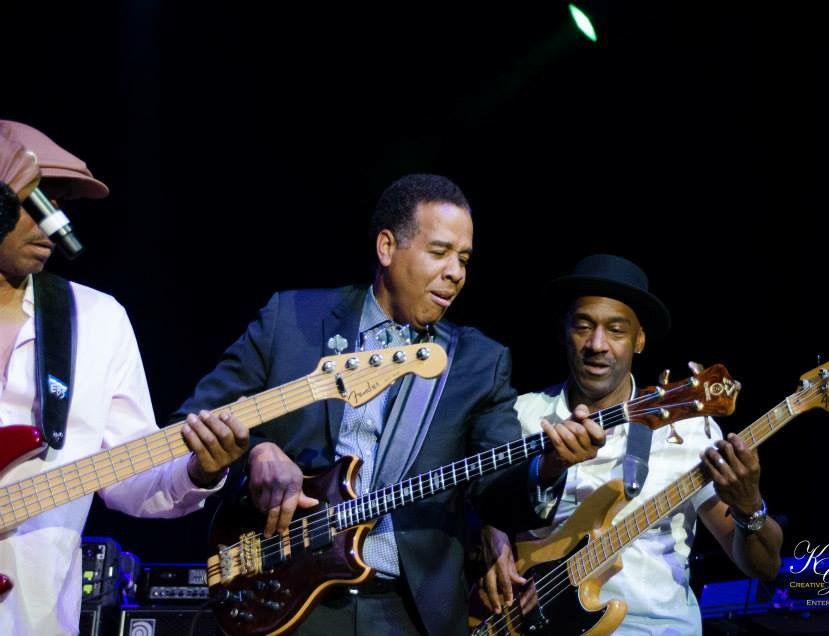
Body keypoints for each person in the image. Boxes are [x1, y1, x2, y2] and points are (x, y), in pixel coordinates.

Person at [173, 174, 605, 635]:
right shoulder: (290, 320)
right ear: (386, 247)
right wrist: (257, 451)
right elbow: (191, 425)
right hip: (283, 592)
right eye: (439, 252)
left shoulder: (478, 362)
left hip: (407, 610)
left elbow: (499, 495)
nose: (456, 273)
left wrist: (551, 466)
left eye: (463, 259)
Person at [0, 121, 248, 635]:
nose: (52, 223)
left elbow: (130, 476)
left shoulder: (96, 320)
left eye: (59, 203)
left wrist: (198, 471)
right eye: (33, 200)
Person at [478, 254, 783, 635]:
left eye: (616, 330)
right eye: (583, 326)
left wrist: (749, 506)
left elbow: (763, 567)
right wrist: (488, 530)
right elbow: (465, 506)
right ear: (563, 331)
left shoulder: (689, 430)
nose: (597, 344)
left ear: (639, 340)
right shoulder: (521, 417)